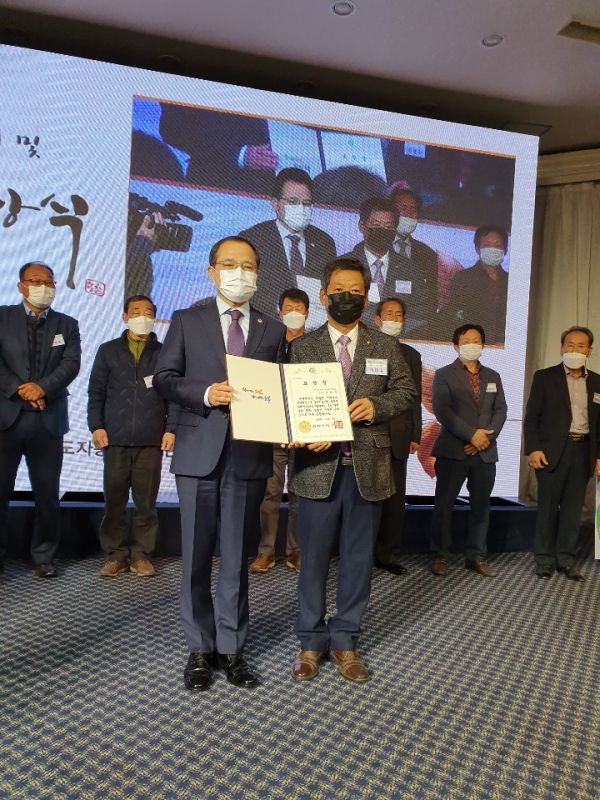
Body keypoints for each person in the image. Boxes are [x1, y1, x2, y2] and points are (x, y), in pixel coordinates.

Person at [153, 236, 286, 692]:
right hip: (198, 451)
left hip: (249, 454)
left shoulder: (271, 329)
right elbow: (165, 378)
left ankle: (231, 648)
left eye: (248, 265)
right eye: (229, 265)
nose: (239, 273)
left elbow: (279, 389)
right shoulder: (187, 320)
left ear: (258, 273)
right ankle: (199, 647)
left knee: (235, 558)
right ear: (212, 272)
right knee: (194, 556)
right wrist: (206, 393)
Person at [288, 257, 416, 684]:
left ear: (367, 296)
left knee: (358, 560)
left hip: (368, 466)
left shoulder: (386, 345)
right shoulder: (302, 347)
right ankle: (310, 641)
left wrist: (376, 406)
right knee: (313, 560)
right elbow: (290, 402)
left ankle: (345, 640)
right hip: (317, 466)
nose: (348, 296)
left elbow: (406, 391)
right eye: (340, 290)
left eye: (357, 291)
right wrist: (302, 432)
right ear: (324, 295)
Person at [87, 295, 178, 578]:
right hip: (114, 438)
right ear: (125, 317)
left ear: (155, 318)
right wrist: (96, 426)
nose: (142, 317)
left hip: (151, 439)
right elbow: (96, 392)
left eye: (148, 312)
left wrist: (171, 429)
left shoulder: (165, 352)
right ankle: (115, 555)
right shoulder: (108, 350)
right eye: (136, 312)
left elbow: (173, 395)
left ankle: (141, 556)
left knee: (146, 504)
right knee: (114, 502)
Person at [0, 262, 81, 576]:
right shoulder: (2, 317)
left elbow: (71, 365)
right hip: (6, 419)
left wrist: (42, 387)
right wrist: (21, 389)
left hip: (48, 420)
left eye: (48, 282)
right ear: (21, 286)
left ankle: (44, 556)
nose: (42, 287)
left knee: (47, 495)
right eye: (35, 281)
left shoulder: (67, 324)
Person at [429, 324, 507, 577]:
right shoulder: (443, 374)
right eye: (466, 341)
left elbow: (501, 410)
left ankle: (476, 556)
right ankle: (440, 555)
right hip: (453, 450)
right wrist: (471, 435)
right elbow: (442, 410)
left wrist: (484, 438)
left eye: (476, 340)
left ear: (482, 345)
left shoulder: (493, 376)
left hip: (485, 451)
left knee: (481, 507)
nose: (472, 344)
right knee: (444, 506)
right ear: (456, 346)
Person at [523, 326, 600, 580]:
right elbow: (531, 418)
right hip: (550, 452)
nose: (575, 349)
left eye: (581, 346)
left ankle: (566, 560)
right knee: (547, 508)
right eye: (570, 345)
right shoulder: (545, 377)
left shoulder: (598, 382)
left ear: (589, 351)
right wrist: (533, 449)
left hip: (583, 451)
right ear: (561, 348)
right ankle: (544, 560)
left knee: (573, 510)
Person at [250, 288, 309, 575]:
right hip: (272, 430)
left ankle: (296, 550)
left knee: (299, 495)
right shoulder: (269, 343)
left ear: (307, 313)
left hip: (304, 432)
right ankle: (266, 551)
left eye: (299, 309)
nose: (293, 314)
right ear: (279, 312)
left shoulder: (315, 346)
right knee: (270, 494)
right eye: (288, 309)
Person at [239, 168, 336, 317]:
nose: (301, 209)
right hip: (265, 324)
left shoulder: (324, 242)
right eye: (293, 202)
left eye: (306, 203)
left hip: (311, 326)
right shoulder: (252, 239)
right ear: (275, 203)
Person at [372, 298, 422, 574]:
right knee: (367, 500)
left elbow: (415, 398)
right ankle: (360, 552)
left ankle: (386, 555)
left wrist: (416, 433)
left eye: (399, 315)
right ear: (377, 319)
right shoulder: (365, 349)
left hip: (400, 437)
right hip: (368, 434)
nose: (394, 319)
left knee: (394, 501)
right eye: (389, 314)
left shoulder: (411, 355)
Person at [340, 198, 426, 330]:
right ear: (362, 226)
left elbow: (421, 310)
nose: (382, 230)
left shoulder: (409, 269)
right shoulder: (342, 266)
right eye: (376, 225)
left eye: (388, 226)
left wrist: (397, 326)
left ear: (395, 229)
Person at [444, 225, 509, 345]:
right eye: (487, 245)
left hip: (504, 346)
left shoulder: (511, 282)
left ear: (505, 250)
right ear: (477, 248)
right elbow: (456, 315)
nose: (493, 249)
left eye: (498, 245)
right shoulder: (462, 278)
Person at [390, 187, 439, 329]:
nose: (409, 214)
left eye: (413, 209)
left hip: (415, 325)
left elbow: (431, 297)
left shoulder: (427, 254)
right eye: (403, 208)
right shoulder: (377, 245)